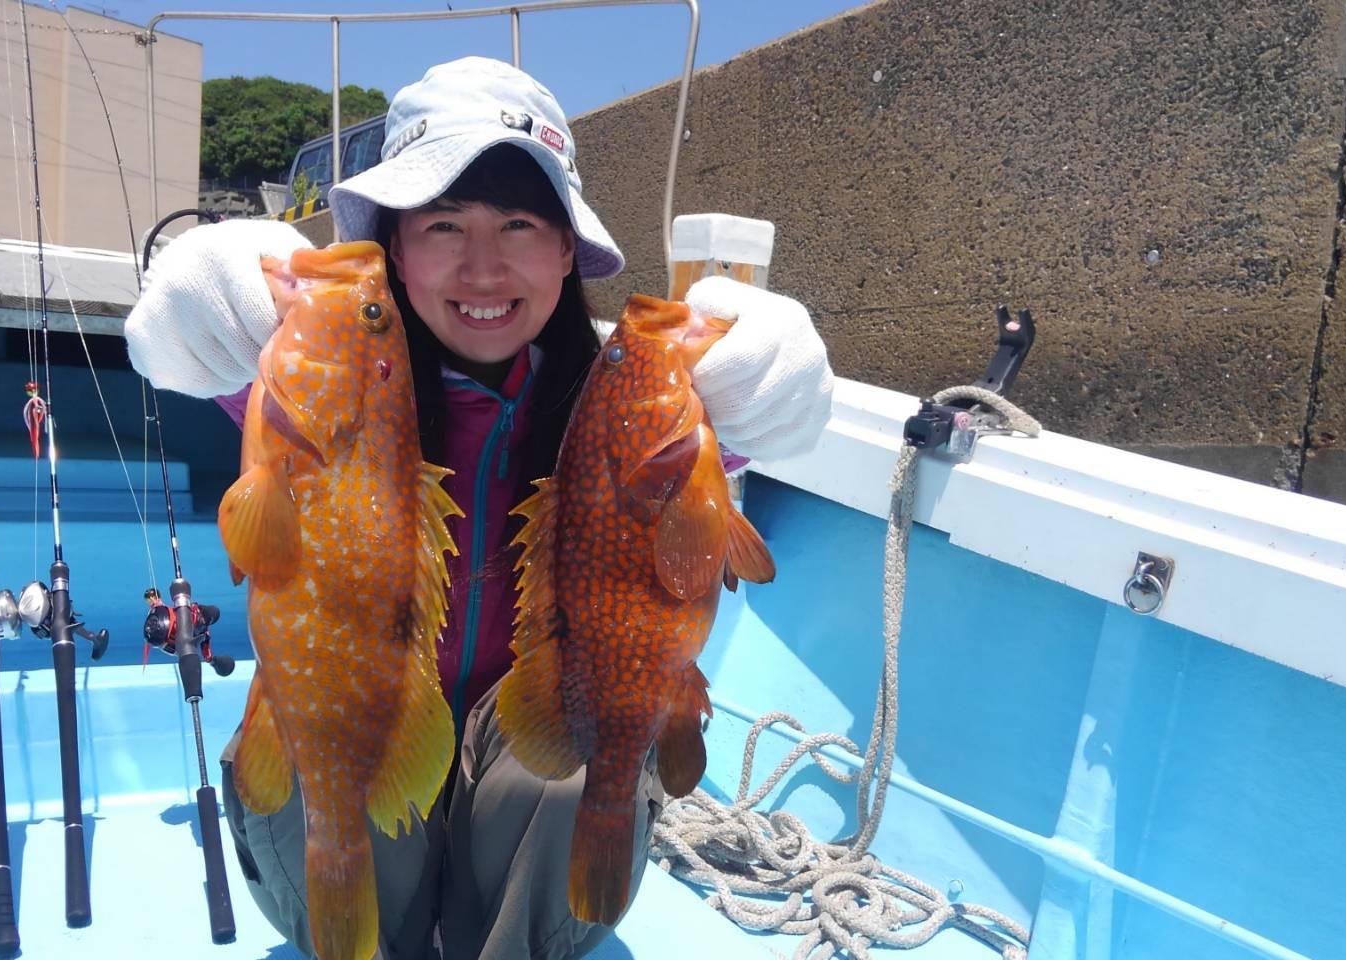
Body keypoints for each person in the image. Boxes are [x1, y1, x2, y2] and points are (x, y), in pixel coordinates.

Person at [124, 56, 833, 960]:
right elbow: (180, 350)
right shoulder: (320, 381)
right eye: (444, 225)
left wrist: (772, 382)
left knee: (587, 745)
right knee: (315, 741)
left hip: (525, 754)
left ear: (568, 249)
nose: (483, 264)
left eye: (521, 224)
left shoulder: (626, 405)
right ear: (394, 248)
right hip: (370, 733)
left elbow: (744, 438)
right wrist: (198, 302)